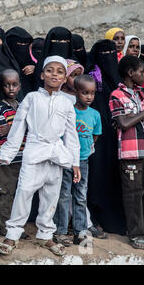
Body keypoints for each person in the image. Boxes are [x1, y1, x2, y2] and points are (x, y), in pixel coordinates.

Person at [0, 55, 80, 257]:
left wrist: (75, 162)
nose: (54, 74)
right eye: (50, 70)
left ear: (65, 77)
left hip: (56, 155)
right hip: (33, 151)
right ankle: (12, 235)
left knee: (51, 196)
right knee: (24, 192)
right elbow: (17, 128)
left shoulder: (68, 103)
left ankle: (45, 234)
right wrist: (5, 153)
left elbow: (71, 135)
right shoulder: (31, 98)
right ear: (41, 75)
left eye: (60, 71)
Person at [109, 55, 144, 249]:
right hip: (130, 152)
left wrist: (135, 116)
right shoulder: (116, 96)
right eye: (141, 71)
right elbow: (124, 123)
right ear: (130, 73)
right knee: (133, 193)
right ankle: (136, 235)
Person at [53, 75, 102, 246]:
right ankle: (60, 230)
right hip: (66, 160)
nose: (89, 97)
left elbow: (95, 134)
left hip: (83, 162)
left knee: (80, 196)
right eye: (85, 93)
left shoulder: (95, 115)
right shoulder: (69, 111)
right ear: (75, 92)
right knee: (63, 195)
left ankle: (80, 232)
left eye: (92, 93)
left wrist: (87, 149)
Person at [86, 40, 126, 236]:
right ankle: (96, 218)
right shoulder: (93, 81)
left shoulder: (118, 82)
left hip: (117, 140)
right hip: (97, 142)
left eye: (112, 52)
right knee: (97, 178)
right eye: (104, 53)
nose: (108, 57)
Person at [0, 70, 25, 236]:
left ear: (20, 86)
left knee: (21, 195)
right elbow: (1, 131)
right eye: (7, 85)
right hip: (6, 160)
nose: (11, 88)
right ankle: (5, 228)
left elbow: (27, 127)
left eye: (14, 84)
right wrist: (18, 126)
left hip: (23, 157)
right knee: (6, 194)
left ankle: (17, 227)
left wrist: (13, 127)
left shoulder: (22, 107)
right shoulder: (1, 109)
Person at [33, 27, 74, 91]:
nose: (63, 44)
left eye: (66, 41)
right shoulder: (42, 64)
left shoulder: (74, 64)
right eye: (58, 41)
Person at [5, 26, 36, 95]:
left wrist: (36, 69)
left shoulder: (32, 65)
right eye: (19, 44)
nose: (23, 47)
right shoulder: (2, 65)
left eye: (25, 44)